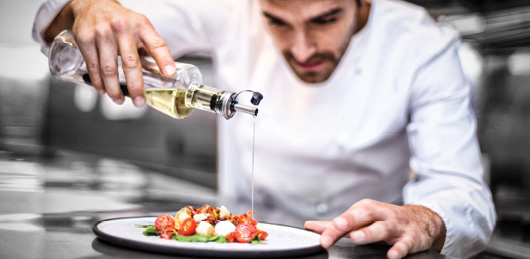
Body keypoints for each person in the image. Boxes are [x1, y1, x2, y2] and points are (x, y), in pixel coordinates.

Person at [33, 0, 496, 258]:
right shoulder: (234, 9)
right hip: (235, 250)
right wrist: (88, 6)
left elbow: (463, 193)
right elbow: (61, 27)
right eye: (277, 21)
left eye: (325, 19)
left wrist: (425, 218)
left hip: (361, 258)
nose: (301, 48)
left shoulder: (422, 45)